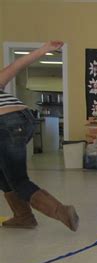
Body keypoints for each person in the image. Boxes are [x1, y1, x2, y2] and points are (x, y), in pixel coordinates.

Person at [0, 40, 79, 231]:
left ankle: (61, 211)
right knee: (4, 173)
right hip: (24, 118)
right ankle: (23, 216)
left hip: (5, 123)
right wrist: (44, 50)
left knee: (18, 180)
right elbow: (16, 66)